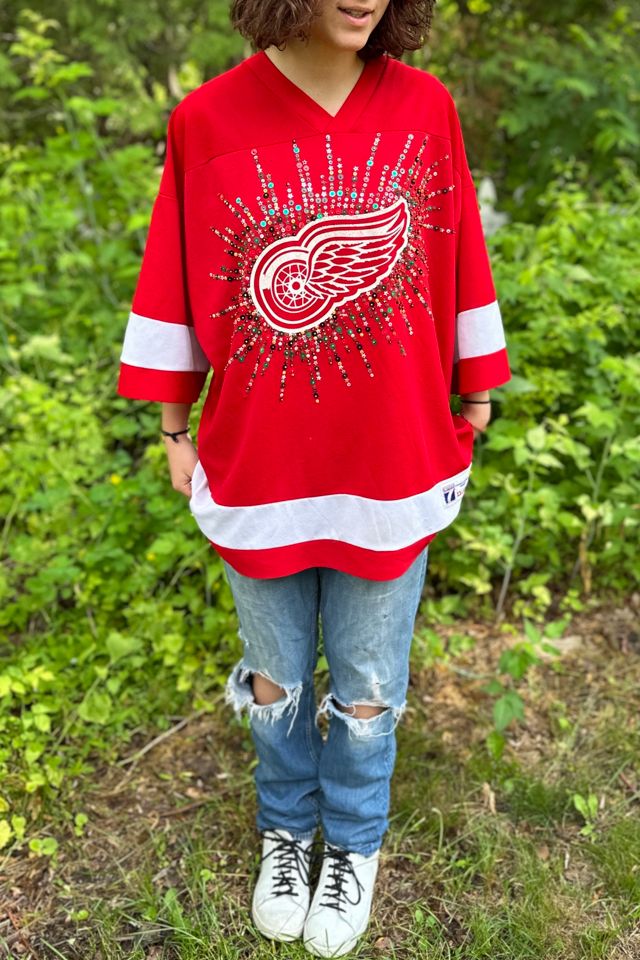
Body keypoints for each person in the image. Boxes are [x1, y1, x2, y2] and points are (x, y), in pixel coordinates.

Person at [116, 0, 511, 955]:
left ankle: (356, 843)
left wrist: (478, 383)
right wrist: (174, 424)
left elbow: (460, 255)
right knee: (276, 678)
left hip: (392, 457)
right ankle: (287, 832)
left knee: (369, 682)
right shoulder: (207, 119)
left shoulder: (425, 108)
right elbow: (174, 277)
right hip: (260, 462)